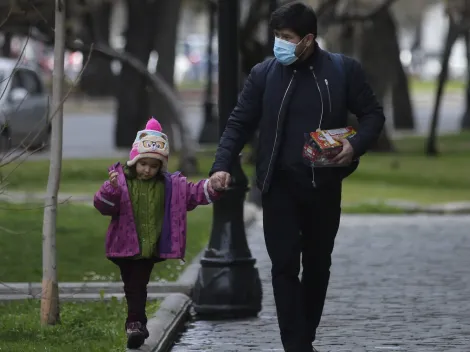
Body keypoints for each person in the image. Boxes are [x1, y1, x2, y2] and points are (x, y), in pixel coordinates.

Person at [209, 2, 385, 352]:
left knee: (318, 265)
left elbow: (373, 116)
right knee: (284, 266)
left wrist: (354, 146)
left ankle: (305, 335)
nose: (280, 44)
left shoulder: (342, 70)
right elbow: (238, 123)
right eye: (276, 36)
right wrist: (220, 165)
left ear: (308, 39)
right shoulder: (264, 74)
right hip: (279, 187)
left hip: (324, 186)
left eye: (286, 37)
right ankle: (296, 345)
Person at [93, 117, 221, 349]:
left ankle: (134, 325)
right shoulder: (120, 182)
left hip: (147, 248)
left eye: (154, 166)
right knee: (131, 285)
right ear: (135, 160)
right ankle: (138, 323)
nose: (147, 170)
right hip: (123, 245)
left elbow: (192, 194)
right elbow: (102, 206)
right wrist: (110, 189)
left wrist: (211, 186)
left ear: (161, 166)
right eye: (143, 164)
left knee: (137, 286)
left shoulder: (170, 186)